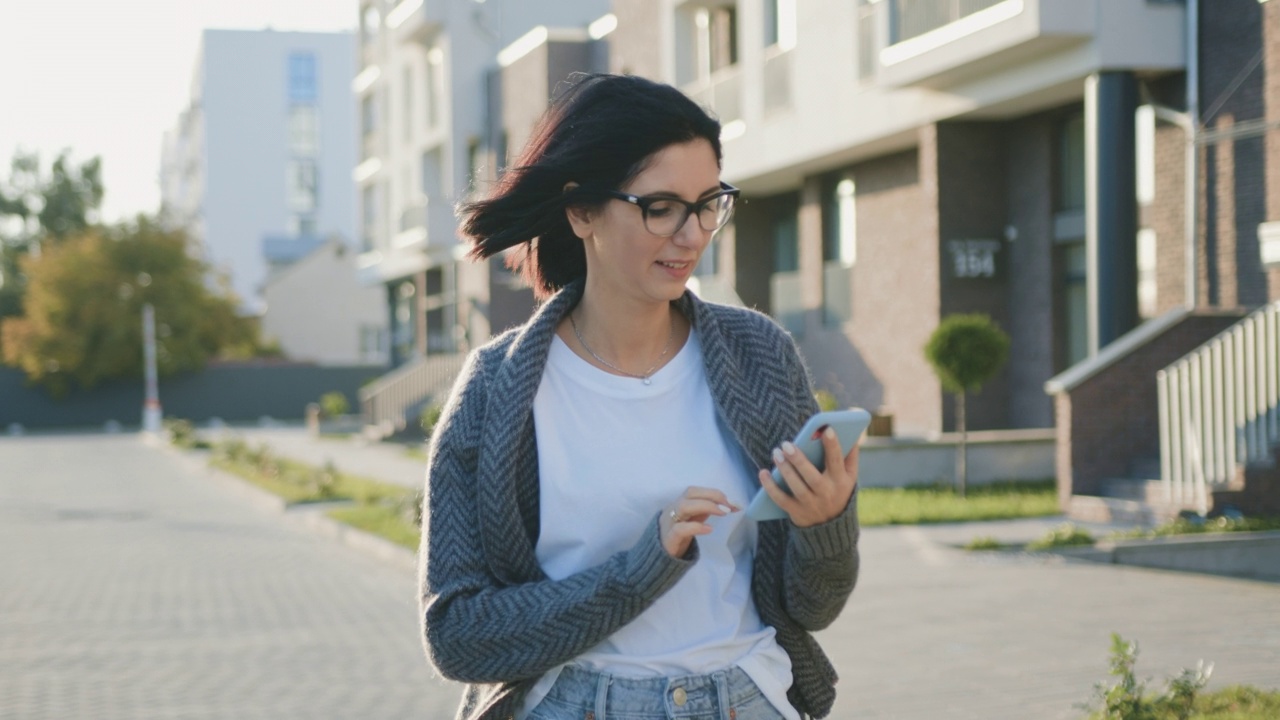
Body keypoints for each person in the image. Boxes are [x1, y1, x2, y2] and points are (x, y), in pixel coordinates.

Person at [419, 73, 860, 720]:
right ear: (581, 212)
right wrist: (643, 568)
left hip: (744, 701)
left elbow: (814, 609)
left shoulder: (758, 354)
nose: (693, 234)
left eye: (709, 202)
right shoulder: (498, 389)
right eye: (661, 207)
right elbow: (459, 636)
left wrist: (825, 527)